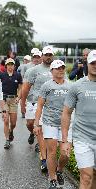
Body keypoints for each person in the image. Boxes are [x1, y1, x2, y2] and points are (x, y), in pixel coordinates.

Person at [34, 60, 72, 189]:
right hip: (50, 122)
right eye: (57, 68)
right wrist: (36, 124)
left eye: (62, 68)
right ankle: (52, 179)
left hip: (66, 124)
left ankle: (59, 170)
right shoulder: (46, 86)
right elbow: (39, 106)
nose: (60, 70)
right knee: (51, 152)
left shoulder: (71, 86)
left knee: (65, 153)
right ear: (52, 71)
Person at [61, 50, 96, 189]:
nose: (95, 65)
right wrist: (65, 141)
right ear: (87, 63)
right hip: (83, 138)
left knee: (93, 175)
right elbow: (66, 113)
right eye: (93, 63)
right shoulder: (77, 86)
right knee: (86, 176)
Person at [21, 46, 54, 172]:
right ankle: (32, 133)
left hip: (51, 106)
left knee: (42, 132)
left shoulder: (57, 69)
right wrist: (22, 104)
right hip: (34, 103)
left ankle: (44, 159)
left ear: (53, 56)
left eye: (50, 54)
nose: (48, 57)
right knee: (31, 125)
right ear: (42, 56)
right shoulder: (34, 71)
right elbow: (25, 89)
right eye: (46, 54)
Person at [0, 58, 22, 149]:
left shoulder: (18, 75)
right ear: (6, 66)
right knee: (6, 120)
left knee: (13, 123)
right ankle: (7, 140)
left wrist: (18, 97)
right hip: (4, 99)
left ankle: (11, 130)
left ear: (14, 66)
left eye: (12, 64)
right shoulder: (1, 75)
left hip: (13, 100)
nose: (10, 66)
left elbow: (20, 88)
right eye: (8, 64)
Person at [21, 50, 42, 143]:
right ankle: (32, 133)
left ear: (41, 58)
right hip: (30, 100)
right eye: (35, 57)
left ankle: (39, 142)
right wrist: (22, 102)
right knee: (30, 123)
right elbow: (24, 86)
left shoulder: (47, 70)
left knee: (40, 124)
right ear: (32, 58)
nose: (36, 59)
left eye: (38, 57)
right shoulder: (28, 70)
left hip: (41, 101)